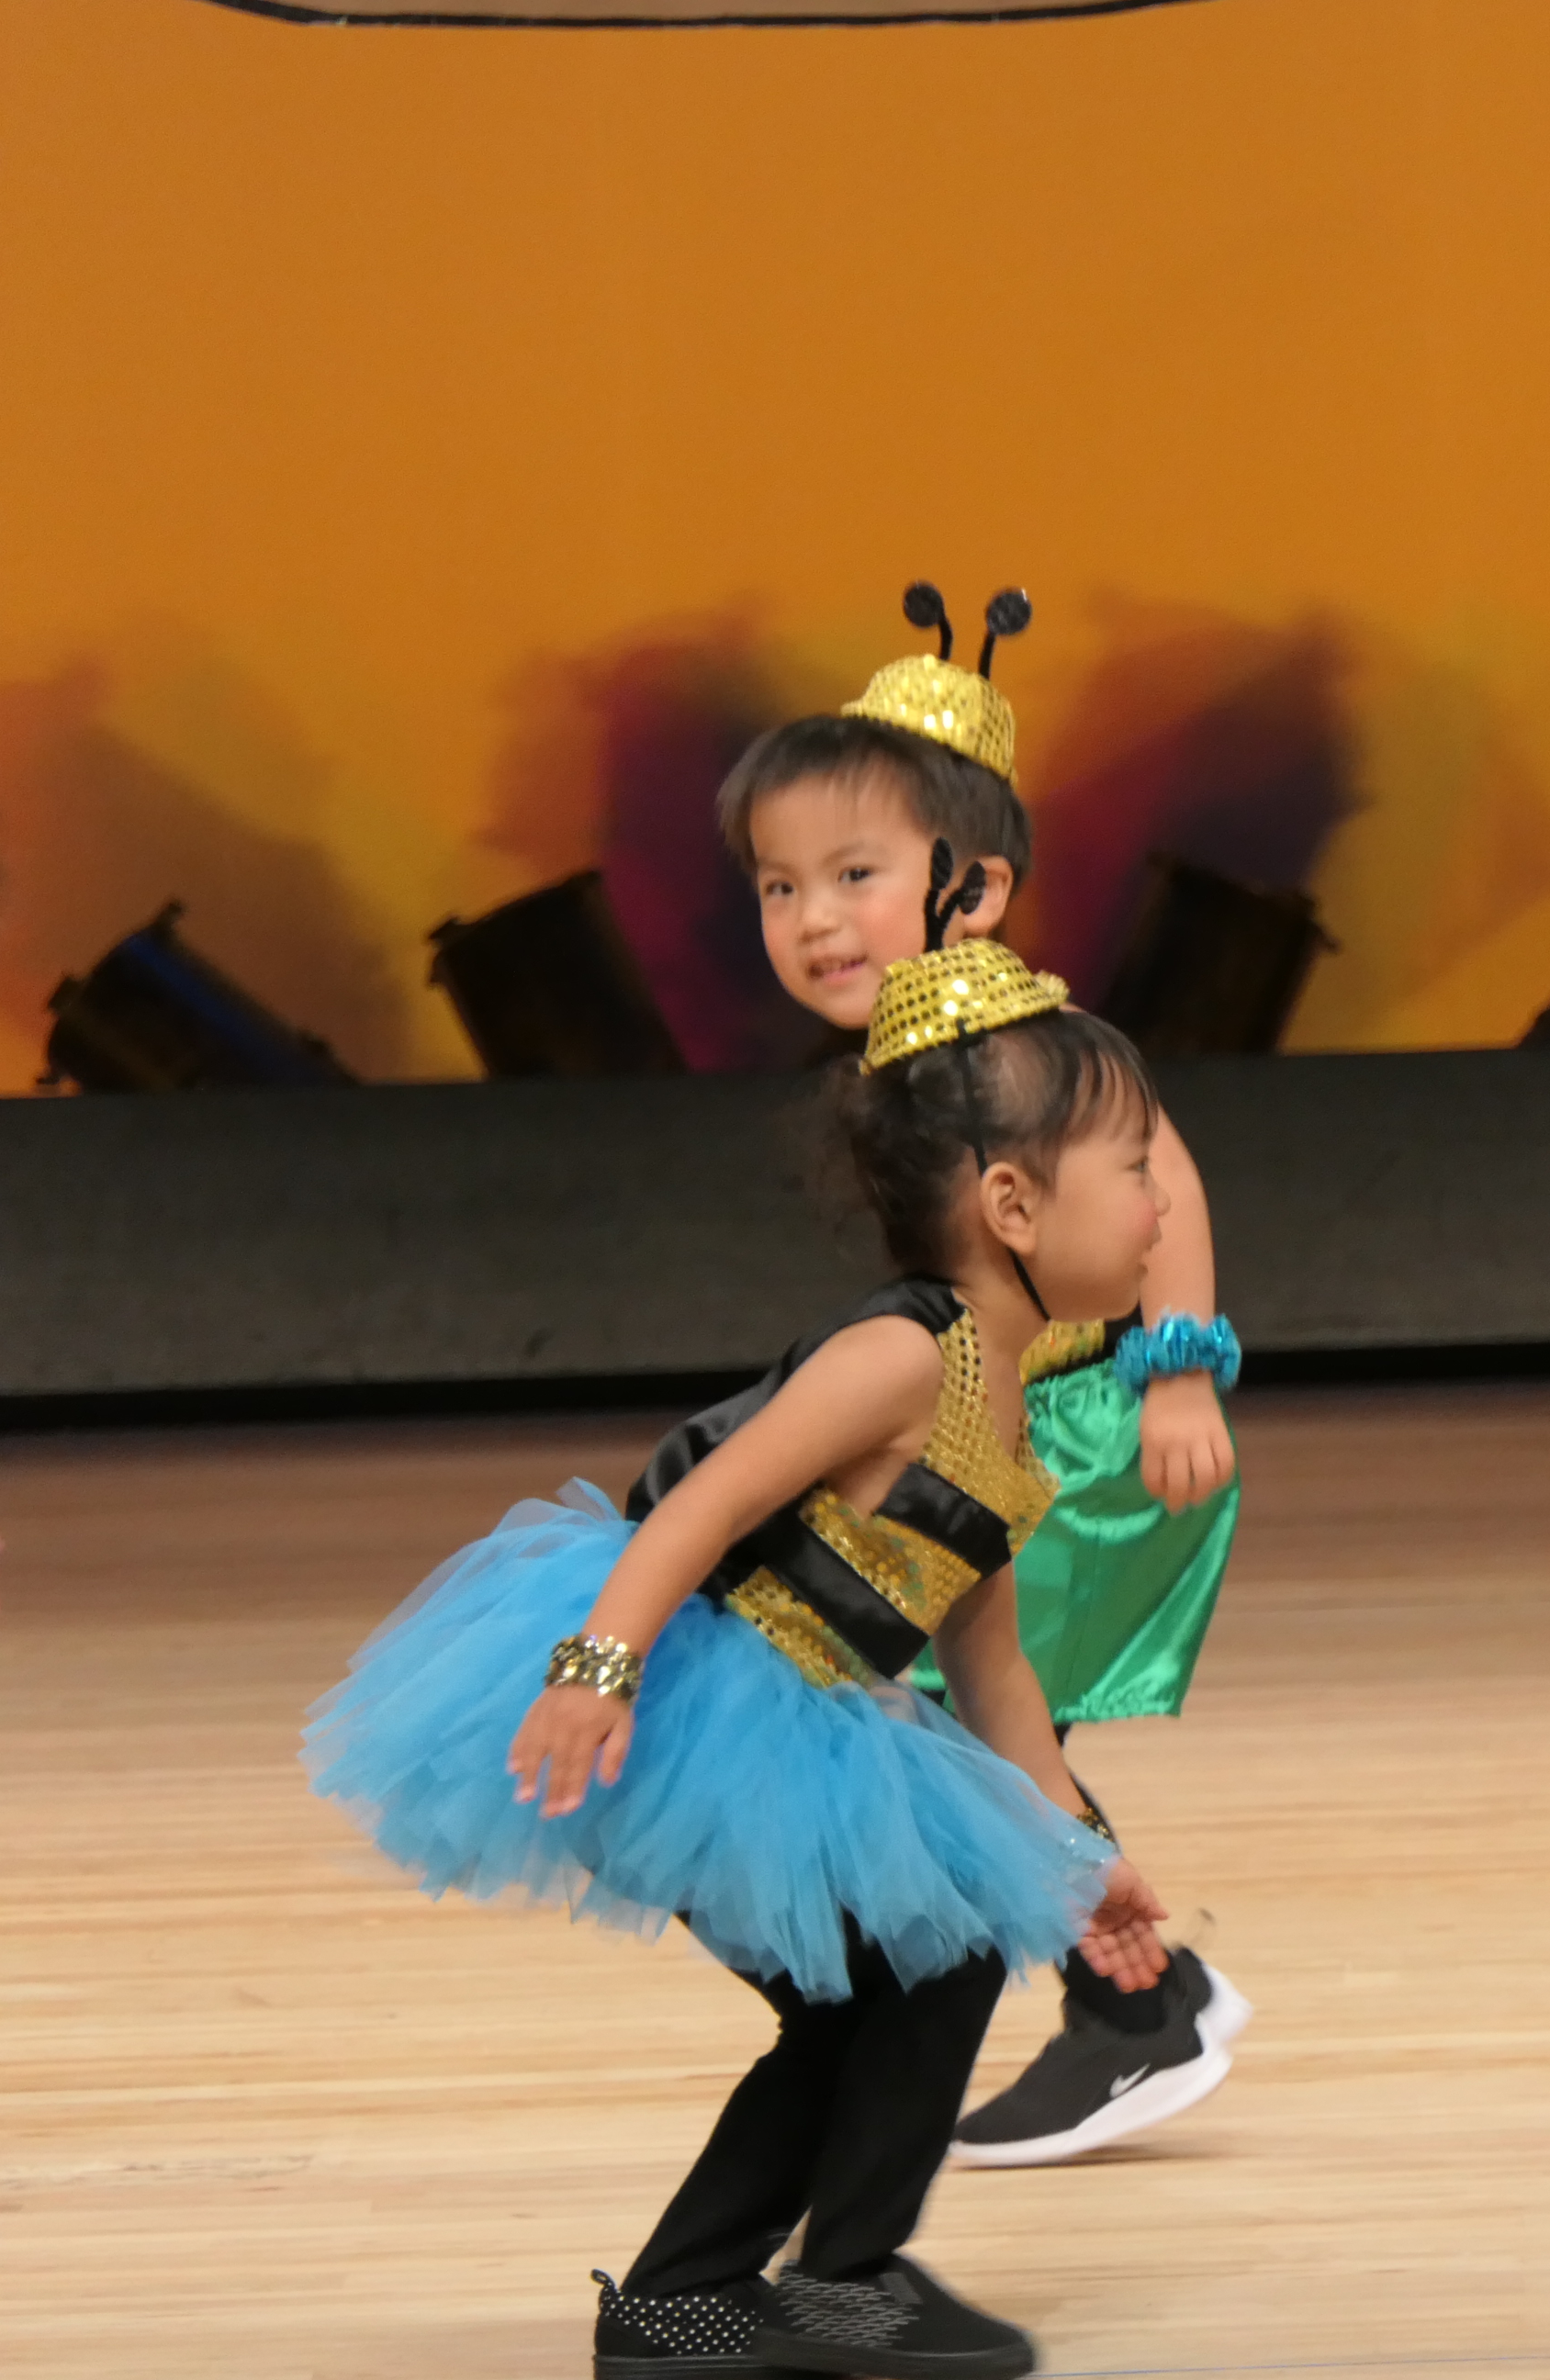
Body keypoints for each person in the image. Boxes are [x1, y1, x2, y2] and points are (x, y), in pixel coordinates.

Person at [309, 937, 1176, 2378]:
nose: (1161, 1205)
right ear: (1013, 1203)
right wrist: (599, 1670)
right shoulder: (907, 1357)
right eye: (1136, 1169)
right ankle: (725, 2293)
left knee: (935, 1967)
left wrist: (1087, 1854)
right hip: (715, 1716)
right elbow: (703, 1505)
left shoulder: (1011, 1406)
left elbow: (995, 1671)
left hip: (824, 1718)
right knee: (867, 1996)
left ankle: (806, 2279)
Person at [723, 586, 1250, 2164]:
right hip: (1004, 1425)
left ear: (976, 890)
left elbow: (1166, 1181)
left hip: (1078, 1430)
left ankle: (1138, 2007)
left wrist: (1177, 1374)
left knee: (966, 1720)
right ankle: (1127, 1998)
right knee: (961, 1719)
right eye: (780, 887)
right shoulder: (924, 1043)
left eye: (856, 877)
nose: (814, 921)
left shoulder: (1022, 1045)